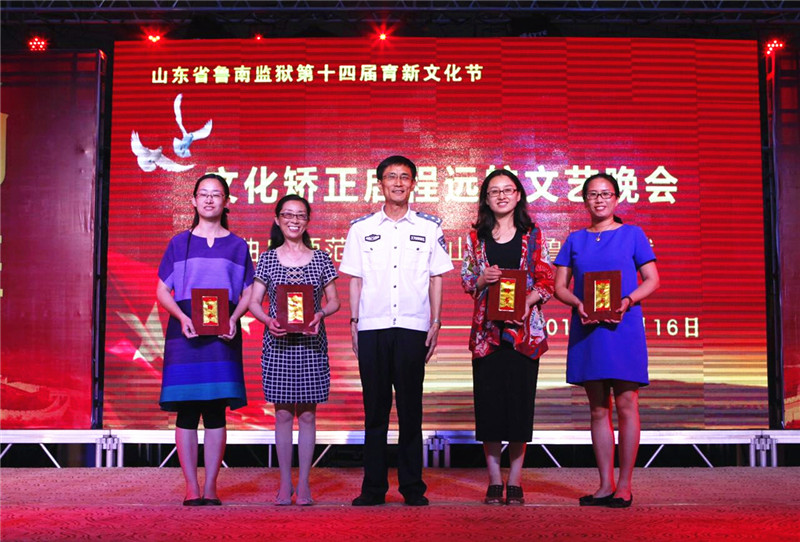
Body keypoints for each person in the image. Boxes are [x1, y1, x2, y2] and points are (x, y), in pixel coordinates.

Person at [339, 155, 453, 506]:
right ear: (380, 184)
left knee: (410, 411)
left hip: (412, 327)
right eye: (391, 177)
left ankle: (412, 488)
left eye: (405, 177)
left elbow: (436, 279)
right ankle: (373, 488)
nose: (398, 183)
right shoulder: (361, 228)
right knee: (374, 411)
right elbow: (356, 280)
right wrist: (355, 322)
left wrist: (435, 322)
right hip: (372, 327)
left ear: (414, 183)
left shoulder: (429, 227)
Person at [553, 173, 660, 509]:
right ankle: (604, 485)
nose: (599, 200)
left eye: (605, 194)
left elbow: (652, 280)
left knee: (627, 404)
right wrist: (578, 303)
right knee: (598, 408)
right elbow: (559, 287)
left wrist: (627, 301)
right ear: (584, 200)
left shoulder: (633, 234)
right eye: (593, 195)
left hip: (623, 328)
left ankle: (625, 486)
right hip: (588, 328)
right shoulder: (574, 240)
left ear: (616, 198)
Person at [156, 173, 254, 506]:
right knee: (186, 411)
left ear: (226, 202)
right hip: (185, 335)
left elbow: (248, 292)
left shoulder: (238, 245)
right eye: (204, 194)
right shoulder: (178, 243)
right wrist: (182, 318)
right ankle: (190, 487)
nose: (210, 199)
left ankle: (211, 486)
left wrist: (233, 319)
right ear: (194, 200)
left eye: (217, 194)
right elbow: (162, 291)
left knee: (215, 411)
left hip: (222, 337)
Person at [461, 169, 555, 505]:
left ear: (518, 196)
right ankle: (493, 479)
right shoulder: (476, 237)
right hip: (487, 335)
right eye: (494, 191)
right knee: (489, 407)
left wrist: (525, 303)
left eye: (508, 190)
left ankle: (515, 479)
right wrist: (483, 279)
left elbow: (547, 280)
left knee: (519, 406)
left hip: (524, 334)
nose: (501, 196)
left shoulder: (534, 234)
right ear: (486, 199)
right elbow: (468, 281)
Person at [249, 195, 340, 506]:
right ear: (277, 220)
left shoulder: (321, 258)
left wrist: (320, 314)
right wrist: (267, 320)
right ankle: (285, 482)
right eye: (288, 215)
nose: (294, 220)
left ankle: (304, 485)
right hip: (278, 344)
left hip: (311, 344)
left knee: (309, 415)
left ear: (308, 221)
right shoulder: (268, 259)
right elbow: (254, 302)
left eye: (300, 215)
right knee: (283, 414)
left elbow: (335, 301)